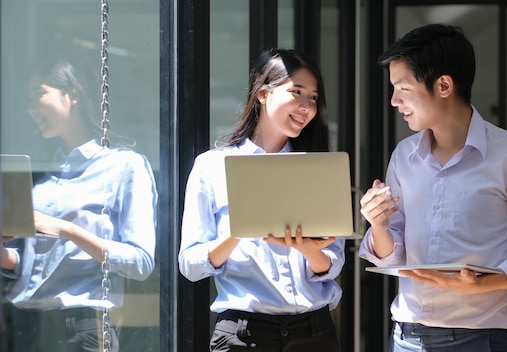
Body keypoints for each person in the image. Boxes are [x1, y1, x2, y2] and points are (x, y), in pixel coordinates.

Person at [358, 24, 507, 352]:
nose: (394, 101)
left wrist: (484, 284)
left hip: (477, 341)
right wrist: (380, 226)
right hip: (404, 339)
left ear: (443, 85)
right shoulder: (403, 157)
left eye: (403, 88)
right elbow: (393, 255)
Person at [178, 48, 344, 352]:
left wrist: (307, 248)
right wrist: (241, 228)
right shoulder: (213, 166)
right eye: (297, 92)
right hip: (243, 334)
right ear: (263, 93)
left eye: (314, 98)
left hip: (315, 332)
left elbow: (332, 264)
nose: (306, 106)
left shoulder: (318, 169)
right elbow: (190, 265)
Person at [0, 58, 158, 352]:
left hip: (83, 326)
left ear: (72, 93)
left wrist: (66, 229)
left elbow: (141, 262)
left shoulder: (124, 165)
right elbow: (31, 265)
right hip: (24, 325)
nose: (30, 107)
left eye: (38, 94)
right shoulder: (44, 175)